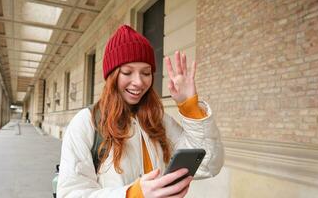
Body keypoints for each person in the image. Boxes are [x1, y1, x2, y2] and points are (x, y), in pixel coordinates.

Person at [57, 25, 224, 198]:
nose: (138, 82)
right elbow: (71, 193)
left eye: (146, 73)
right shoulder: (87, 122)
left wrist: (189, 106)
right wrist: (133, 194)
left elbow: (207, 165)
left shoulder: (158, 120)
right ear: (112, 76)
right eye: (127, 72)